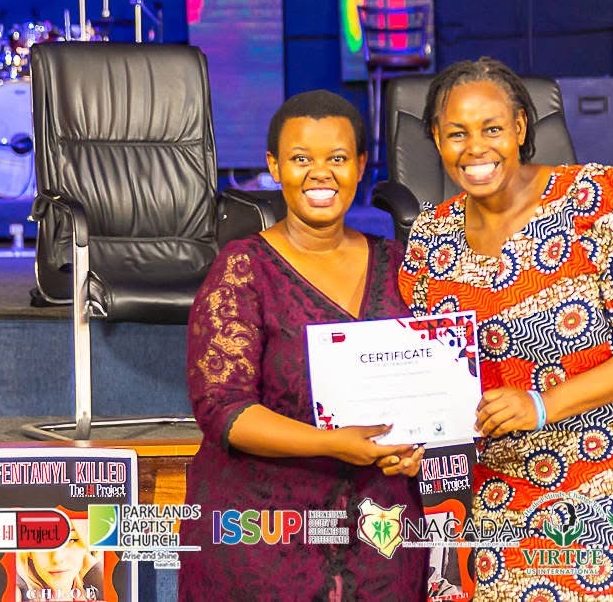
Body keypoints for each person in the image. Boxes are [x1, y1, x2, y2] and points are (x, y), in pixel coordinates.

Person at [399, 58, 613, 601]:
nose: (475, 148)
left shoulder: (597, 198)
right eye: (457, 133)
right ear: (436, 138)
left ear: (520, 128)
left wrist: (542, 405)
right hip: (507, 488)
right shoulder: (430, 240)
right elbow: (431, 375)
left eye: (492, 128)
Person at [178, 90, 427, 601]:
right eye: (300, 159)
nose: (320, 174)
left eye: (337, 158)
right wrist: (333, 443)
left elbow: (430, 391)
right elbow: (224, 412)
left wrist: (417, 450)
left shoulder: (401, 265)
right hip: (265, 531)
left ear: (361, 165)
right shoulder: (243, 269)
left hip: (380, 536)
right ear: (274, 166)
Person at [14, 518, 102, 601]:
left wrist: (95, 571)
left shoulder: (92, 592)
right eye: (42, 540)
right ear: (29, 551)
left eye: (71, 540)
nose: (57, 558)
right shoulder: (17, 593)